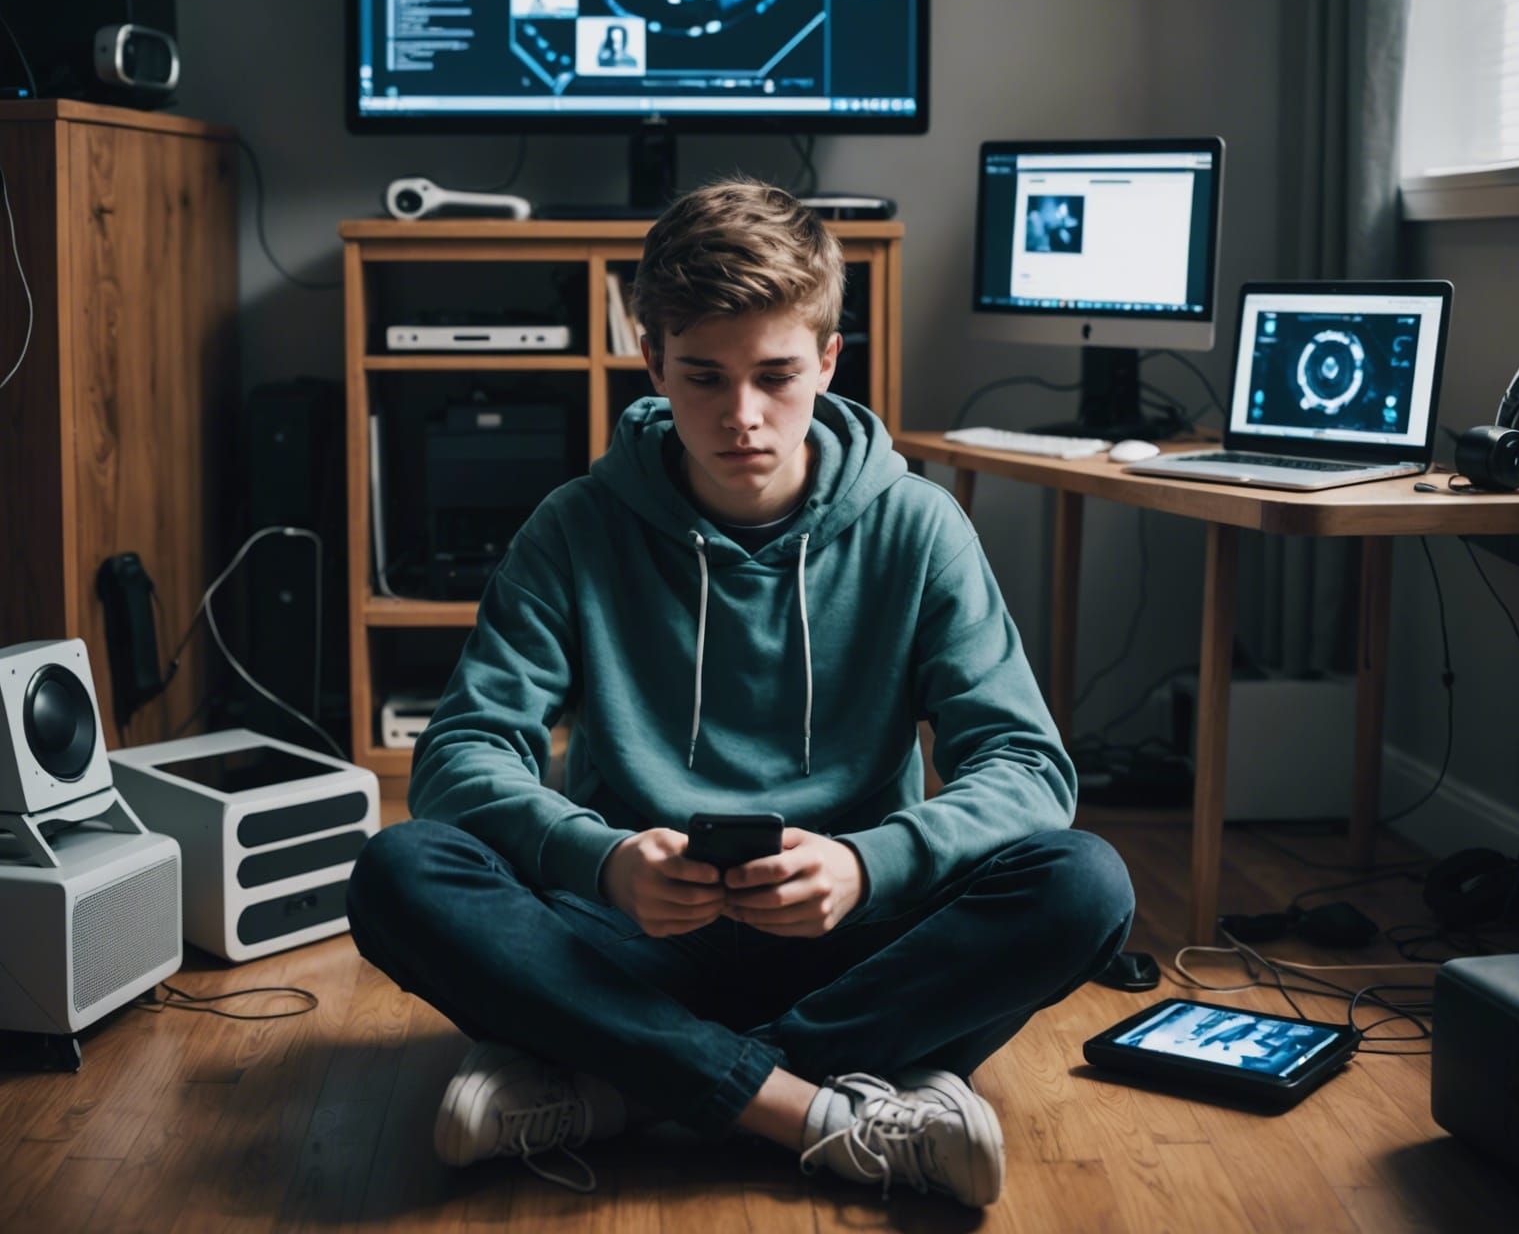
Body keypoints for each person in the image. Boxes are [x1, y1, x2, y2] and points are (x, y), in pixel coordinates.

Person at [347, 178, 1134, 1208]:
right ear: (651, 361)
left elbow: (1028, 768)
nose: (743, 417)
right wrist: (608, 861)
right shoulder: (574, 527)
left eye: (776, 375)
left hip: (853, 943)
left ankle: (623, 1088)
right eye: (704, 378)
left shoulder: (918, 526)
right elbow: (461, 757)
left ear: (829, 361)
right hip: (630, 940)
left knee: (1087, 884)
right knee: (400, 870)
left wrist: (865, 864)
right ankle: (825, 1105)